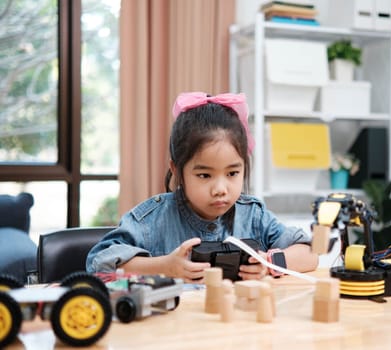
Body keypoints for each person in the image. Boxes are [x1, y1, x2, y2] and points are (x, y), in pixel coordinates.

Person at [86, 91, 318, 282]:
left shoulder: (253, 215)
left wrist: (268, 264)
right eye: (205, 175)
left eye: (232, 173)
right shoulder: (151, 220)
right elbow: (99, 262)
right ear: (177, 170)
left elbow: (309, 254)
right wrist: (165, 266)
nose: (220, 188)